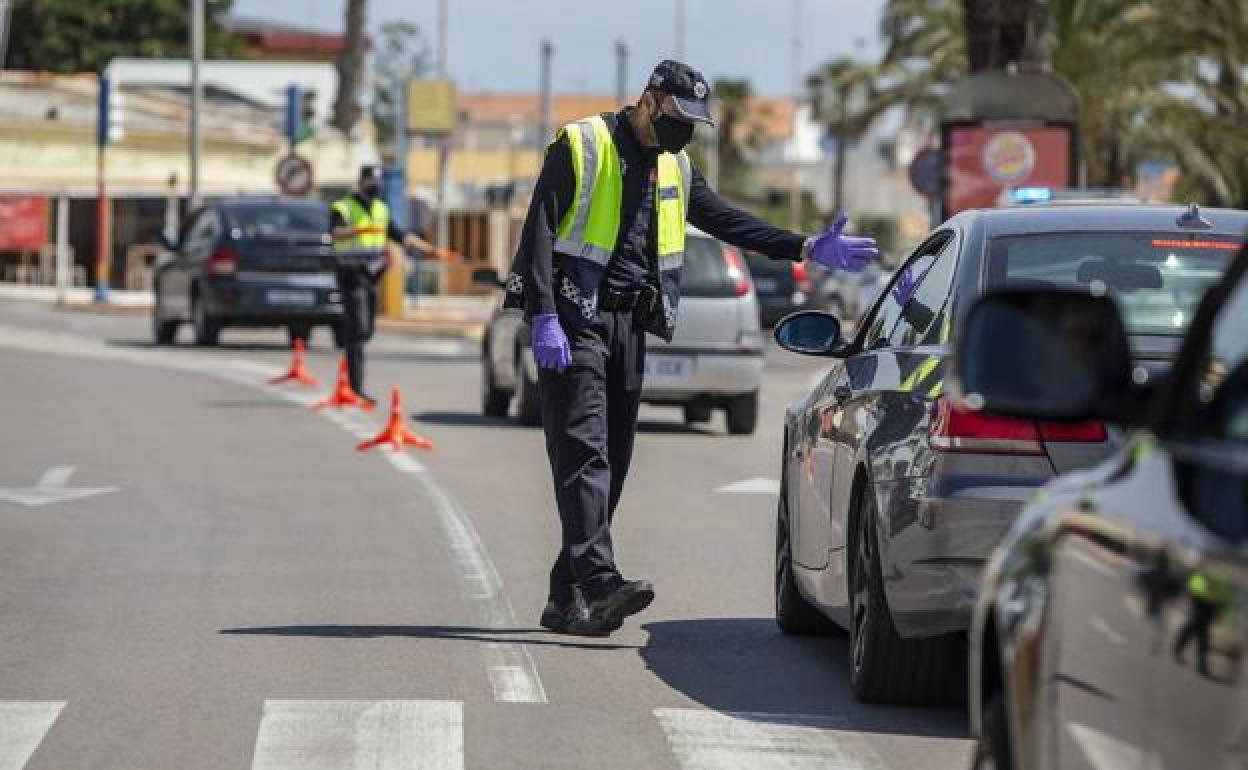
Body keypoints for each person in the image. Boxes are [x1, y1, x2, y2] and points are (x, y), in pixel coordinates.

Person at [504, 60, 879, 637]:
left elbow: (728, 221)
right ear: (650, 99)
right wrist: (545, 315)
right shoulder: (583, 143)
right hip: (576, 317)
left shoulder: (674, 165)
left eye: (694, 123)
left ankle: (565, 596)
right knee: (585, 452)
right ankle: (601, 583)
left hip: (629, 323)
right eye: (678, 117)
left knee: (616, 461)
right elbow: (539, 230)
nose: (684, 131)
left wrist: (804, 245)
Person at [329, 166, 442, 401]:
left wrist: (428, 248)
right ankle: (355, 386)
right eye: (370, 184)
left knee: (366, 330)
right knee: (358, 331)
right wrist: (354, 231)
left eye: (376, 185)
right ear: (360, 183)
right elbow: (335, 233)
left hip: (372, 277)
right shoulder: (343, 207)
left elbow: (400, 235)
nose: (373, 189)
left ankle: (352, 364)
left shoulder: (380, 209)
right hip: (350, 275)